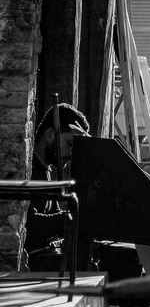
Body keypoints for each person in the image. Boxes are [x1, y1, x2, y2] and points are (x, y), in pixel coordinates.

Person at [24, 103, 90, 270]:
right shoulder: (27, 170)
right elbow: (28, 226)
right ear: (49, 135)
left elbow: (52, 215)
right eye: (69, 143)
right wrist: (71, 220)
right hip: (32, 263)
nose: (71, 153)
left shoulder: (46, 172)